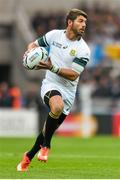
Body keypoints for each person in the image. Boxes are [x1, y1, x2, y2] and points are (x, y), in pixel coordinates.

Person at [17, 8, 90, 172]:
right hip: (50, 84)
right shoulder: (54, 35)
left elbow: (73, 75)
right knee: (57, 107)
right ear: (70, 22)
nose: (84, 25)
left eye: (85, 22)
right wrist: (30, 52)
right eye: (80, 21)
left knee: (47, 129)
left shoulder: (83, 49)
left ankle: (28, 155)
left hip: (69, 92)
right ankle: (47, 146)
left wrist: (53, 67)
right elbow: (34, 44)